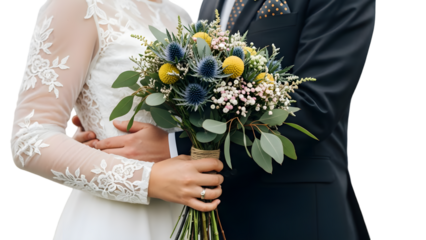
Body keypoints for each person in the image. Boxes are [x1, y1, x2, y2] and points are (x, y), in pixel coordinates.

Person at [73, 0, 378, 239]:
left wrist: (174, 146)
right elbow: (196, 92)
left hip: (292, 211)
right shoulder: (201, 6)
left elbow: (314, 107)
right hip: (193, 209)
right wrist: (99, 116)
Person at [9, 0, 224, 239]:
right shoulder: (77, 4)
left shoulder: (180, 14)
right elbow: (29, 139)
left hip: (188, 214)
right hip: (115, 220)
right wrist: (148, 180)